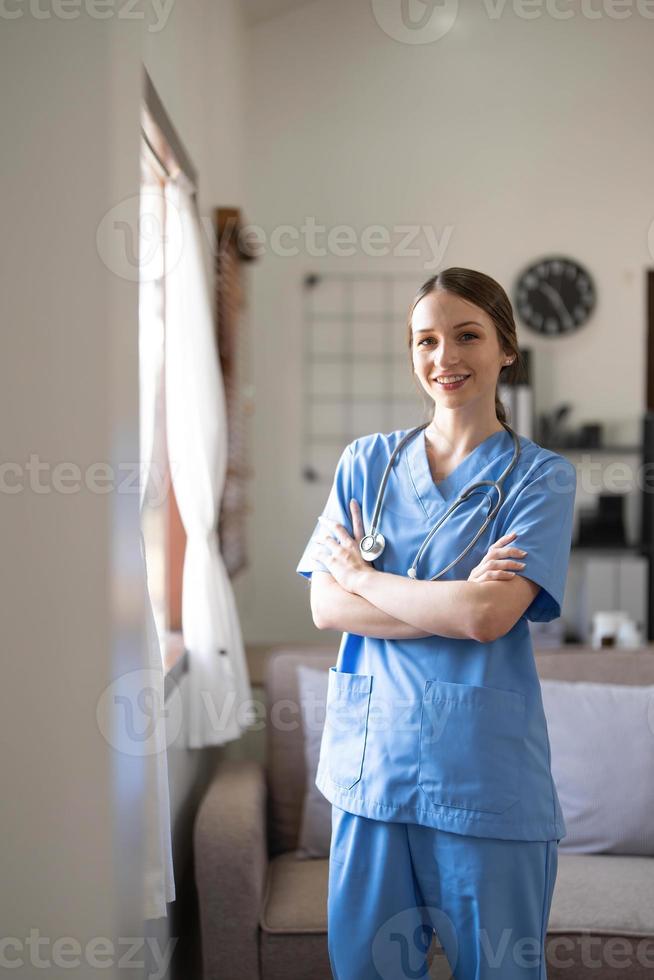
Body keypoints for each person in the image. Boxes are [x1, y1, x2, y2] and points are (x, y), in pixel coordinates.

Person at [296, 267, 577, 980]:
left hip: (484, 776)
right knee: (367, 971)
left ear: (506, 348)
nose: (444, 358)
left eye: (467, 336)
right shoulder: (366, 464)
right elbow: (326, 607)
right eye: (425, 340)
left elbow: (489, 618)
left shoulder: (539, 477)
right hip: (372, 771)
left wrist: (365, 578)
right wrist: (447, 603)